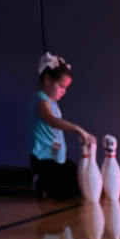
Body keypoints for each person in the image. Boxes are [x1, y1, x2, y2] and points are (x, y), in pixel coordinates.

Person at [29, 52, 96, 201]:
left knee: (80, 185)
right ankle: (39, 181)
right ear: (47, 79)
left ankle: (50, 180)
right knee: (61, 194)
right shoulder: (40, 100)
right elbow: (51, 120)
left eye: (65, 88)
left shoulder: (53, 102)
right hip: (43, 159)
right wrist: (78, 129)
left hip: (57, 157)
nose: (63, 92)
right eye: (61, 86)